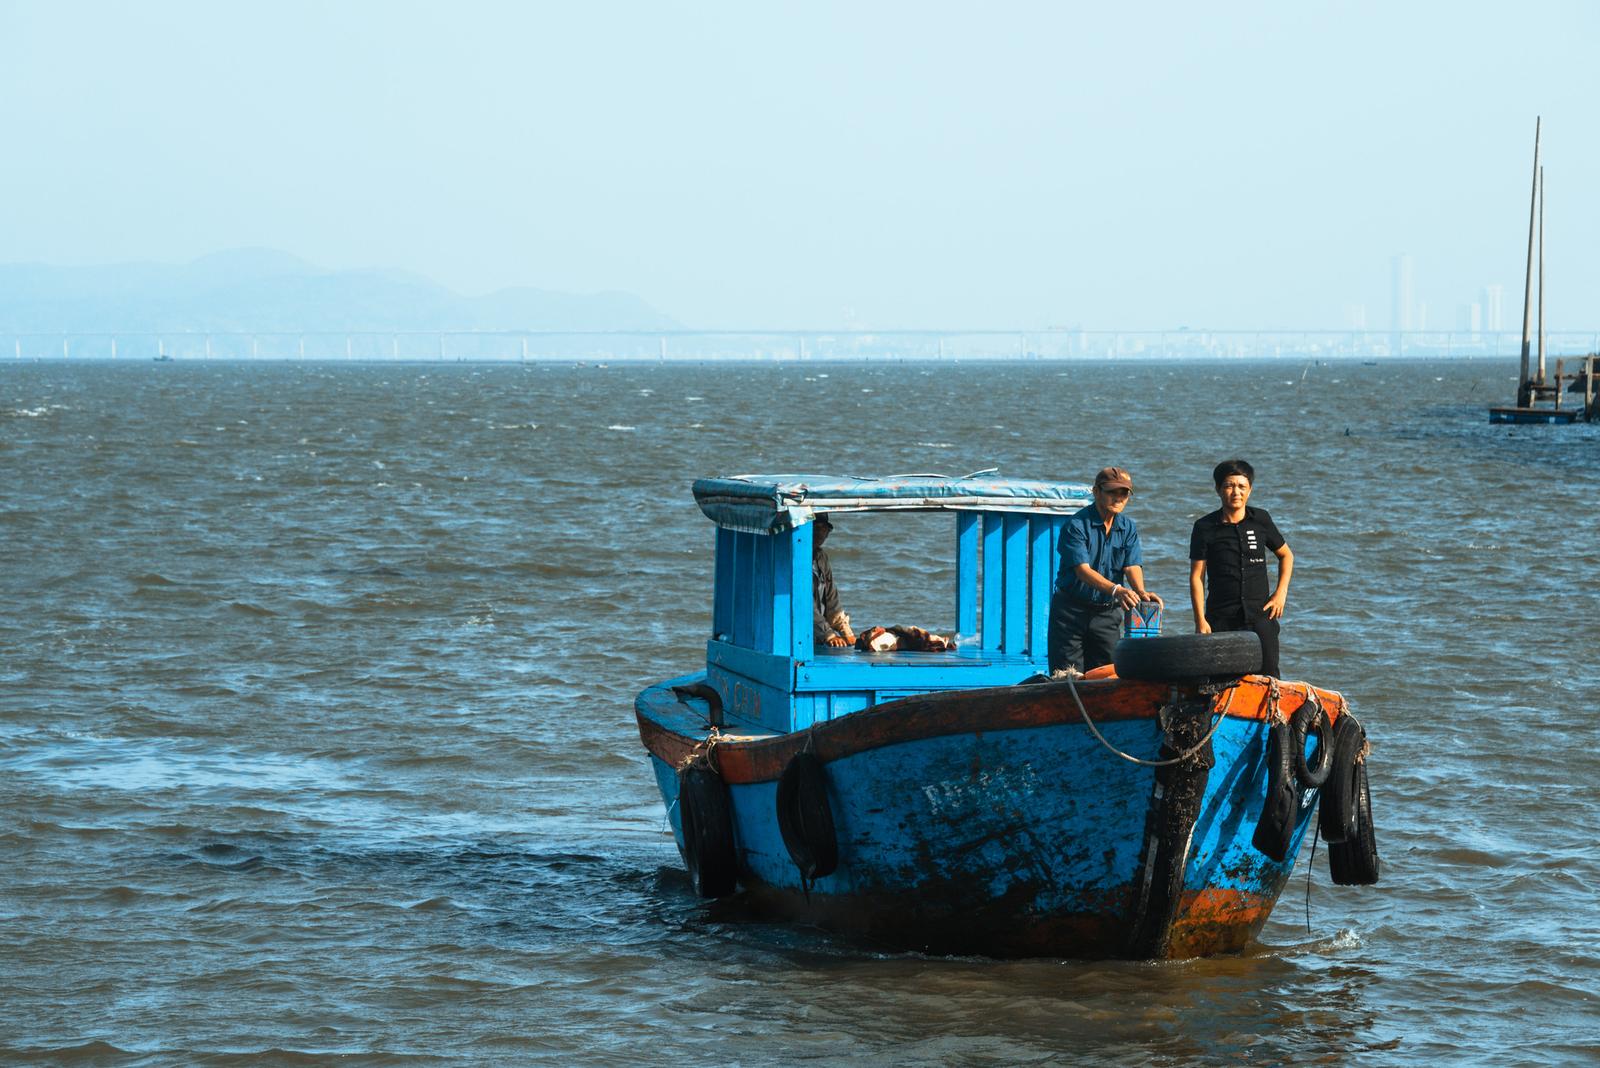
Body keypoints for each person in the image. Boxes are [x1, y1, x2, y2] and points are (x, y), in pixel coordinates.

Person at [1047, 467, 1163, 675]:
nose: (1118, 497)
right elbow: (1082, 570)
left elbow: (1131, 565)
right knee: (1066, 678)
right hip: (1070, 612)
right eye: (1112, 492)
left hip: (1106, 613)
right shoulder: (1076, 525)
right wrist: (1118, 590)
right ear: (1096, 491)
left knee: (1108, 674)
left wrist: (1141, 591)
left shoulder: (1128, 527)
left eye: (1124, 493)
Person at [1188, 459, 1294, 678]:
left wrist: (1280, 593)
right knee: (1220, 678)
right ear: (1218, 489)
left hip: (1261, 614)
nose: (1236, 491)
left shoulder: (1261, 520)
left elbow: (1286, 556)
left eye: (1242, 486)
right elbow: (1197, 577)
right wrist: (1200, 620)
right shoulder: (1204, 527)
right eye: (1229, 485)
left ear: (1250, 490)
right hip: (1221, 616)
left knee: (1269, 675)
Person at [812, 514, 855, 648]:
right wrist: (829, 634)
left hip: (818, 635)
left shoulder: (821, 557)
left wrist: (846, 631)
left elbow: (832, 600)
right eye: (816, 527)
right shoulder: (798, 557)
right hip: (801, 634)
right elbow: (805, 605)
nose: (820, 533)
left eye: (824, 529)